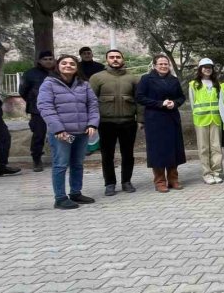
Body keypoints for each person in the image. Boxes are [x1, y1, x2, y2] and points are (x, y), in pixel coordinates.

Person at [37, 54, 99, 209]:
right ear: (57, 66)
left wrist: (92, 124)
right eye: (64, 63)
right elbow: (45, 107)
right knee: (60, 165)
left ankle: (75, 193)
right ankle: (60, 198)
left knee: (77, 164)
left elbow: (93, 105)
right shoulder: (49, 84)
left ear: (77, 67)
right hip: (62, 133)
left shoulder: (84, 84)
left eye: (72, 63)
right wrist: (58, 128)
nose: (68, 66)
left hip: (82, 132)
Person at [90, 49, 141, 195]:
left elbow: (139, 101)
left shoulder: (133, 78)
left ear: (123, 59)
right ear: (107, 60)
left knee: (128, 154)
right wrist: (92, 122)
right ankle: (110, 184)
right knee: (107, 155)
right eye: (112, 57)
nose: (115, 59)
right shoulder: (97, 78)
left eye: (118, 57)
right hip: (106, 123)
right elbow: (91, 101)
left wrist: (141, 119)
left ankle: (126, 182)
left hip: (128, 122)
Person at [136, 55, 186, 193]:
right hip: (155, 119)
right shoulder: (146, 79)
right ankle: (160, 181)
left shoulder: (174, 80)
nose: (164, 66)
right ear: (154, 65)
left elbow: (181, 97)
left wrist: (174, 103)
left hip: (171, 118)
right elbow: (140, 97)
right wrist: (160, 103)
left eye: (166, 64)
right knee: (157, 151)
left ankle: (173, 179)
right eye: (161, 64)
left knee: (173, 149)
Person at [187, 58, 223, 185]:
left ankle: (217, 172)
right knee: (203, 148)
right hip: (201, 119)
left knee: (216, 147)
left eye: (210, 67)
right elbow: (193, 103)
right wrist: (196, 116)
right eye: (205, 67)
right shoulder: (194, 84)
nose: (207, 69)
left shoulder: (217, 84)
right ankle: (207, 174)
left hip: (215, 119)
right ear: (200, 69)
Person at [19, 50, 55, 172]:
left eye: (50, 59)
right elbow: (23, 91)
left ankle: (63, 157)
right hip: (38, 109)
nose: (48, 61)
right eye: (45, 59)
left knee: (63, 132)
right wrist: (34, 101)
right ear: (39, 61)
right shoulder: (30, 74)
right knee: (39, 134)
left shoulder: (58, 72)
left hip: (58, 108)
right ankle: (37, 159)